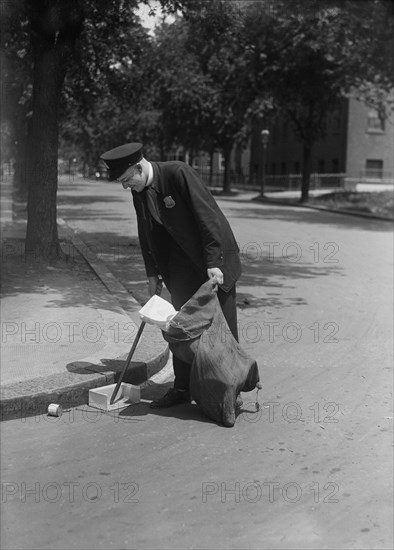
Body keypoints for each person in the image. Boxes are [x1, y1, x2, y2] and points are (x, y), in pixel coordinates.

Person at [100, 142, 242, 408]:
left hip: (214, 262)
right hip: (179, 266)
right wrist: (152, 273)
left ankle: (231, 392)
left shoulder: (178, 173)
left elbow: (208, 218)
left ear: (139, 167)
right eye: (122, 182)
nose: (125, 186)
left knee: (222, 329)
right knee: (180, 327)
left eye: (127, 180)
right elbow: (146, 234)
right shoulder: (139, 189)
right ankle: (181, 388)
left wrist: (213, 262)